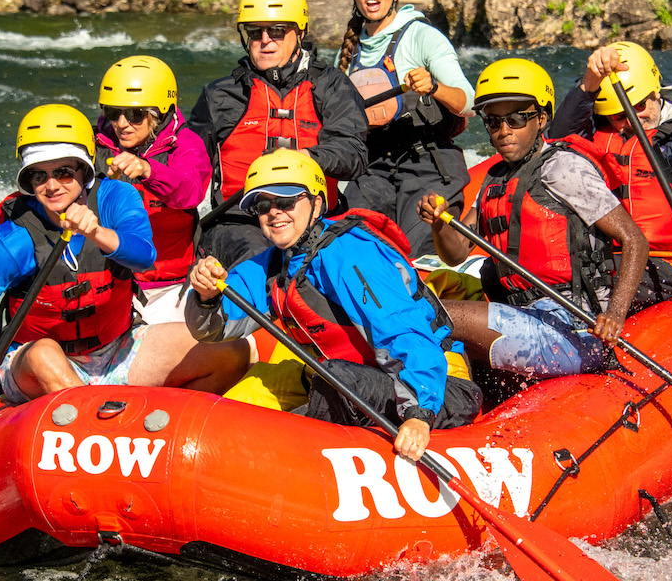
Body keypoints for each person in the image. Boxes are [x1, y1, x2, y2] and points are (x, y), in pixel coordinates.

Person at [0, 104, 248, 437]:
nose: (52, 185)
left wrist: (96, 232)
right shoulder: (13, 241)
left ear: (84, 171)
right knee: (43, 354)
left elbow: (144, 256)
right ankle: (105, 433)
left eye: (64, 172)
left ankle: (159, 435)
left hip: (118, 350)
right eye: (40, 175)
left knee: (231, 352)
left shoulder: (116, 198)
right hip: (40, 367)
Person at [185, 149, 479, 462]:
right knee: (244, 403)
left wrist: (419, 415)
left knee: (334, 376)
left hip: (435, 384)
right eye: (262, 205)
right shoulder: (270, 265)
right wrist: (206, 296)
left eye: (286, 201)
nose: (274, 213)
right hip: (340, 375)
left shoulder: (350, 253)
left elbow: (402, 332)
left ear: (317, 203)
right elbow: (215, 329)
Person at [416, 58, 666, 381]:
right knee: (426, 302)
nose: (504, 131)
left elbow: (634, 240)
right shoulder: (494, 179)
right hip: (521, 316)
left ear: (542, 118)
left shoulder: (563, 168)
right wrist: (439, 224)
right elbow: (456, 253)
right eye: (494, 122)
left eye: (517, 119)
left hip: (573, 329)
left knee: (437, 313)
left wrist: (615, 315)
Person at [552, 41, 672, 329]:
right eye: (620, 116)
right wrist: (590, 82)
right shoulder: (599, 131)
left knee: (583, 290)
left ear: (657, 91)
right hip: (605, 258)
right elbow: (557, 142)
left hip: (668, 265)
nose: (632, 119)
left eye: (640, 106)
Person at [189, 0, 369, 268]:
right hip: (240, 222)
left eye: (276, 31)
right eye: (254, 31)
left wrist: (309, 157)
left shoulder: (332, 86)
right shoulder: (220, 96)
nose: (264, 39)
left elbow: (354, 155)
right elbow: (188, 168)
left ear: (298, 33)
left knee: (353, 264)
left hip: (316, 220)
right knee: (265, 263)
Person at [336, 0, 473, 257]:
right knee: (353, 250)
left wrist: (434, 87)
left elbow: (469, 103)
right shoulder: (347, 52)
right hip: (374, 171)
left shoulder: (422, 37)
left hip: (428, 168)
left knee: (414, 254)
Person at [93, 55, 209, 325]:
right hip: (110, 283)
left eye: (134, 115)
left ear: (159, 112)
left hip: (169, 287)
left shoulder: (186, 145)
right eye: (113, 113)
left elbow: (191, 192)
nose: (121, 124)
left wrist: (148, 170)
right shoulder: (94, 145)